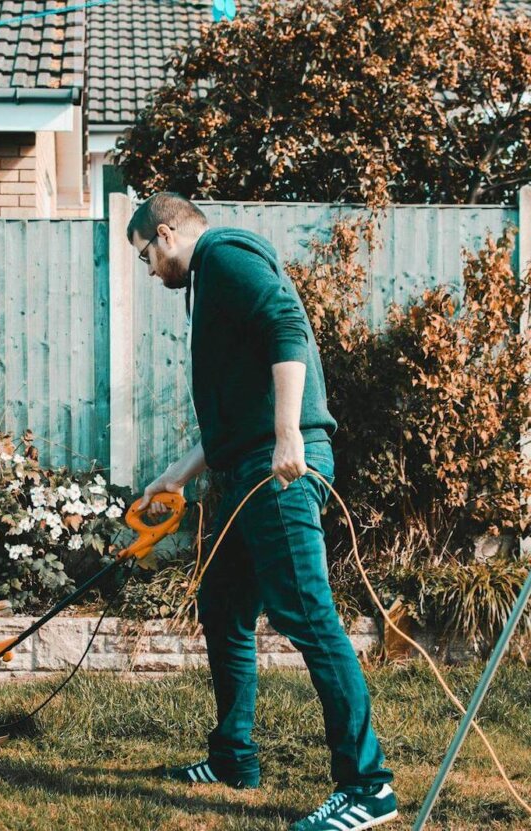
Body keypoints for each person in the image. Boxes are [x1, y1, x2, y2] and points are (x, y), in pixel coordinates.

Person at [129, 192, 397, 831]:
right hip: (249, 468)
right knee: (222, 605)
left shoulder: (225, 254)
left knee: (307, 615)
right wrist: (175, 476)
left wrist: (287, 434)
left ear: (166, 235)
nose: (148, 271)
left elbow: (286, 323)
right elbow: (232, 417)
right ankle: (233, 758)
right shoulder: (211, 282)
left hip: (277, 472)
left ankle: (368, 788)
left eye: (145, 256)